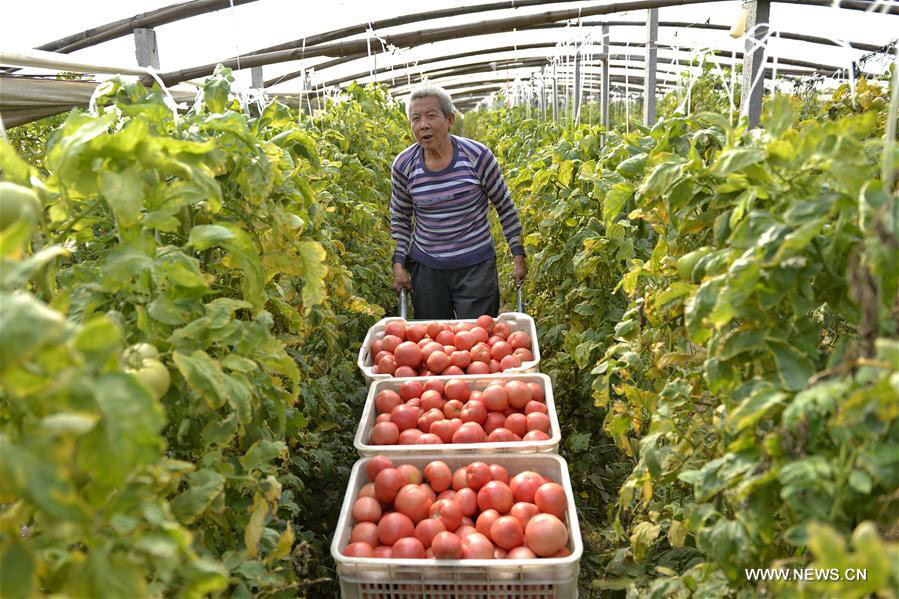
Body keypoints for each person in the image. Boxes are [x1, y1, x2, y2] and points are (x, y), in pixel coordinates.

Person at [389, 85, 527, 320]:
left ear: (450, 119)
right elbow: (400, 217)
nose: (423, 125)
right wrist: (399, 263)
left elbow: (504, 206)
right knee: (434, 345)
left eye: (431, 116)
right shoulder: (404, 165)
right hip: (428, 270)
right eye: (415, 118)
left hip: (476, 267)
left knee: (476, 341)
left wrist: (518, 255)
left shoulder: (478, 157)